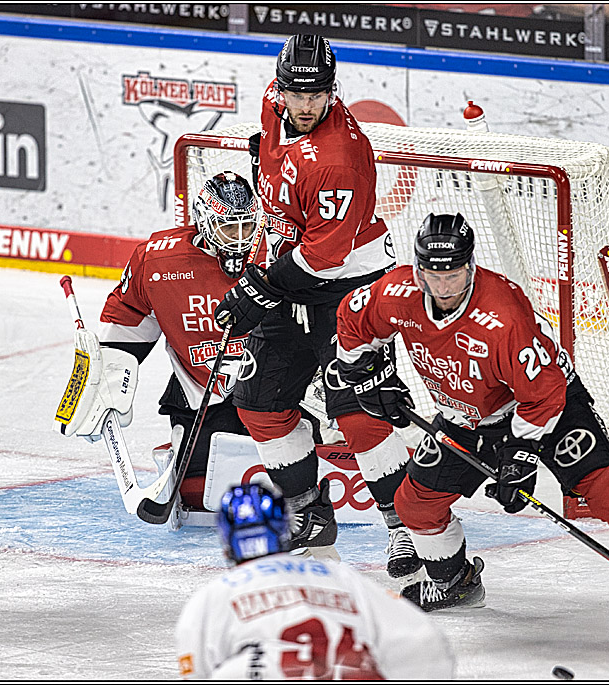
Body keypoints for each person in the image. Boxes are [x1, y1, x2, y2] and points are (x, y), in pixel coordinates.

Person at [335, 212, 609, 613]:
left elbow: (544, 393)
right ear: (418, 270)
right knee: (415, 503)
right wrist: (369, 377)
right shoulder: (396, 293)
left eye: (454, 275)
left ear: (471, 267)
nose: (443, 287)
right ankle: (454, 582)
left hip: (548, 405)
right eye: (433, 275)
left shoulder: (502, 316)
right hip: (467, 418)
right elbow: (351, 322)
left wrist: (520, 455)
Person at [214, 34, 423, 581]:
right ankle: (308, 510)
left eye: (317, 94)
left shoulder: (339, 159)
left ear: (333, 91)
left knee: (358, 411)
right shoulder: (276, 103)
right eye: (296, 93)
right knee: (258, 400)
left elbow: (323, 257)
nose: (305, 105)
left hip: (350, 288)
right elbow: (273, 155)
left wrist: (256, 289)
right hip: (293, 275)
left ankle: (404, 529)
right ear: (279, 87)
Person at [62, 171, 306, 522]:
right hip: (201, 392)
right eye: (228, 228)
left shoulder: (277, 252)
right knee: (200, 495)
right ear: (206, 223)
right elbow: (131, 317)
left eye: (247, 227)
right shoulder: (158, 261)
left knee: (296, 474)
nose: (240, 239)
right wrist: (106, 374)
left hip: (274, 387)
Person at [174, 483, 454, 680]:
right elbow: (424, 641)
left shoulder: (212, 597)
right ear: (285, 530)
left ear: (226, 543)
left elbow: (196, 672)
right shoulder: (341, 577)